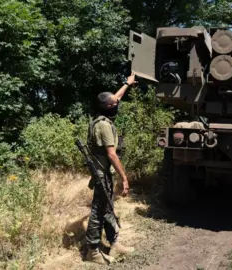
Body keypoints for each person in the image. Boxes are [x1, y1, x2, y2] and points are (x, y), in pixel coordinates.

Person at [84, 71, 137, 265]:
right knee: (99, 210)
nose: (118, 104)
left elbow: (116, 97)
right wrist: (124, 177)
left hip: (104, 172)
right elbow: (112, 154)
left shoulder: (102, 116)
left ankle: (114, 243)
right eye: (114, 103)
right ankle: (92, 250)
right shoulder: (104, 126)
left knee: (107, 207)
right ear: (107, 107)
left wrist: (127, 83)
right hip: (102, 173)